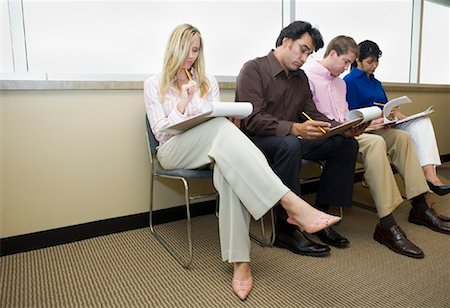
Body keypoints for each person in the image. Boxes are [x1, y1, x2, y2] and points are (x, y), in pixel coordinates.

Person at [144, 23, 340, 301]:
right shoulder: (154, 84)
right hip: (174, 149)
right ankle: (291, 203)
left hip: (212, 148)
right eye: (186, 49)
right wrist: (183, 104)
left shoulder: (207, 81)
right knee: (219, 130)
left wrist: (230, 120)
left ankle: (241, 263)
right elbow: (162, 132)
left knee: (228, 164)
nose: (191, 56)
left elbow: (215, 122)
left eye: (197, 50)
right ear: (173, 48)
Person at [304, 35, 450, 258]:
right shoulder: (307, 76)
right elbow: (309, 115)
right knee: (375, 142)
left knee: (402, 138)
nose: (346, 68)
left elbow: (345, 114)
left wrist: (361, 123)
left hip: (348, 130)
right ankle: (386, 223)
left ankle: (420, 206)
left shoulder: (340, 83)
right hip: (329, 135)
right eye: (345, 62)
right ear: (332, 53)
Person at [235, 21, 359, 256]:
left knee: (345, 144)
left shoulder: (301, 78)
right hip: (255, 142)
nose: (304, 57)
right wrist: (294, 128)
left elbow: (313, 113)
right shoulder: (253, 69)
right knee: (290, 144)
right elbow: (252, 120)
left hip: (289, 141)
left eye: (309, 53)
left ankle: (319, 215)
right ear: (286, 41)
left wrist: (343, 128)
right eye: (303, 49)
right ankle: (285, 228)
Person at [344, 40, 450, 196]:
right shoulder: (349, 81)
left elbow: (385, 105)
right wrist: (376, 119)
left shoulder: (376, 83)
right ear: (357, 60)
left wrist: (392, 112)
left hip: (386, 123)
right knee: (409, 136)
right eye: (370, 62)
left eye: (377, 61)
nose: (374, 65)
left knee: (423, 122)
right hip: (369, 128)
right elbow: (352, 114)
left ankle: (430, 174)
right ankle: (428, 180)